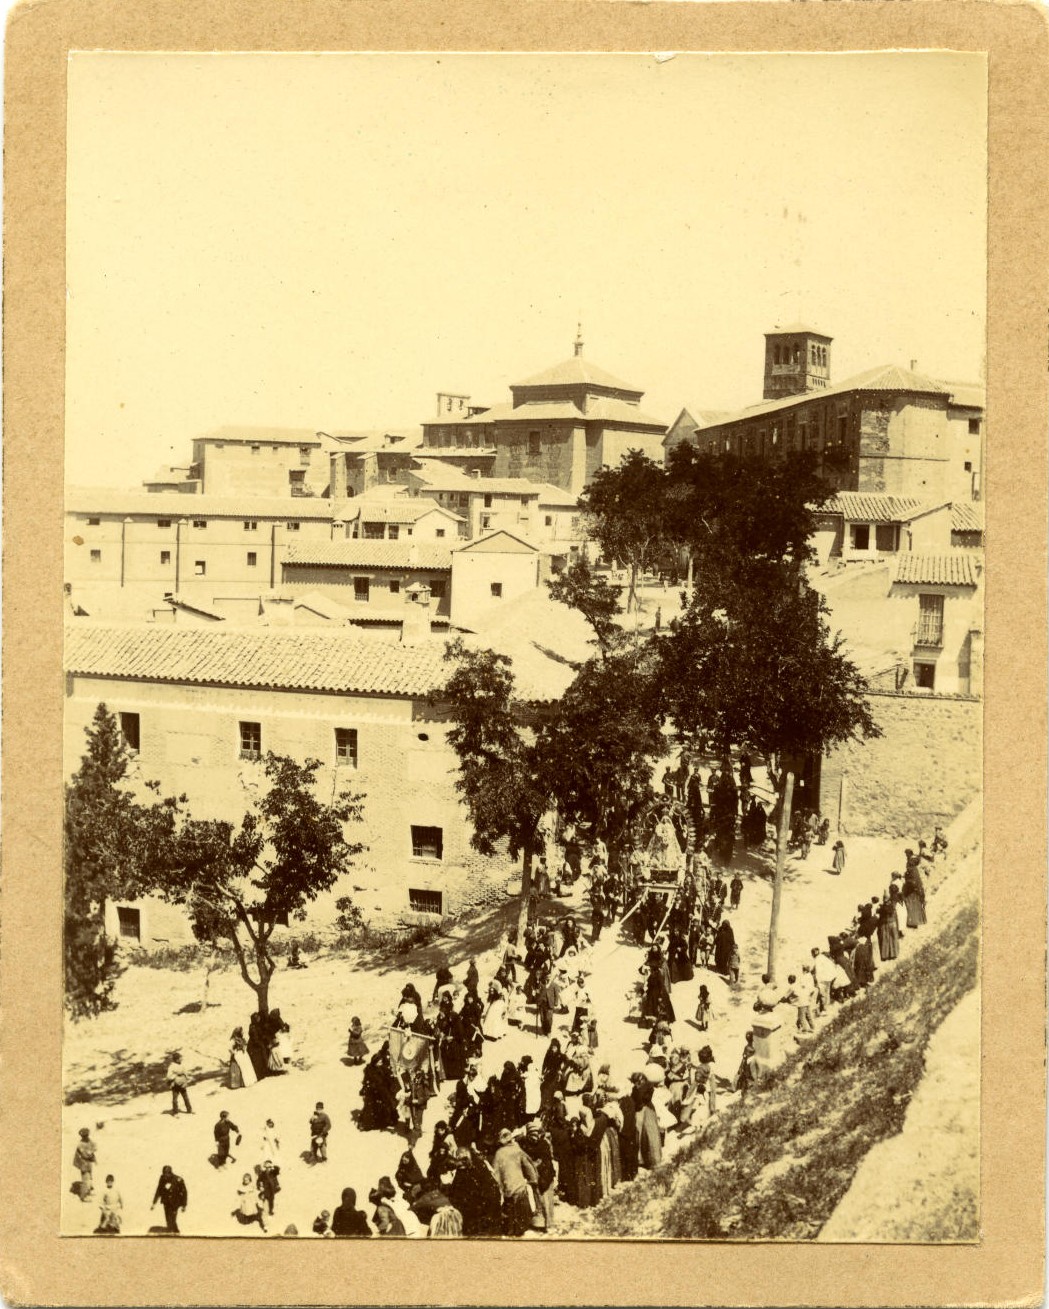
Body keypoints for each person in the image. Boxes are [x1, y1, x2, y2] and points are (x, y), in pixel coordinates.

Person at [491, 1127, 539, 1237]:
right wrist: (533, 1180)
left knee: (510, 1212)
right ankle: (520, 1231)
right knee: (521, 1211)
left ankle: (511, 1231)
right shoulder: (518, 1150)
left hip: (508, 1187)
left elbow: (496, 1173)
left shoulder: (499, 1153)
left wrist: (499, 1188)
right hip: (520, 1185)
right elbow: (528, 1166)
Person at [519, 1120, 556, 1232]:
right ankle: (542, 1223)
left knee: (546, 1202)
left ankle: (549, 1225)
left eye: (536, 1133)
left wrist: (535, 1164)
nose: (534, 1137)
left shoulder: (543, 1144)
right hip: (538, 1178)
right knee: (539, 1202)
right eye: (532, 1134)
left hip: (545, 1177)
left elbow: (546, 1161)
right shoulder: (525, 1144)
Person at [151, 1165, 187, 1235]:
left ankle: (173, 1232)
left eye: (167, 1174)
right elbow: (159, 1190)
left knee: (172, 1218)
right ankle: (175, 1231)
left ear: (170, 1173)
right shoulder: (162, 1178)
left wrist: (184, 1205)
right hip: (166, 1202)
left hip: (175, 1202)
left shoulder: (178, 1179)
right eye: (164, 1174)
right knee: (168, 1218)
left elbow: (184, 1192)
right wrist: (154, 1203)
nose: (165, 1176)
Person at [73, 1127, 97, 1202]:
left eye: (87, 1135)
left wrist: (91, 1151)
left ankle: (88, 1192)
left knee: (89, 1178)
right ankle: (83, 1197)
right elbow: (85, 1155)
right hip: (83, 1164)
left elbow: (94, 1146)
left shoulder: (89, 1141)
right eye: (85, 1135)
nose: (87, 1136)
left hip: (88, 1163)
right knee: (85, 1180)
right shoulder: (80, 1144)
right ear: (82, 1136)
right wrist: (90, 1152)